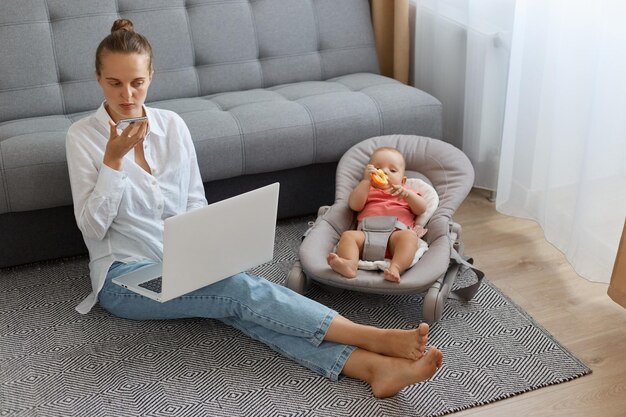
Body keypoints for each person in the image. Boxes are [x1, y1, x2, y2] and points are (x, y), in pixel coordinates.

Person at [65, 19, 442, 399]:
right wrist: (112, 163)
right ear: (98, 79)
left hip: (183, 261)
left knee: (238, 302)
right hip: (124, 277)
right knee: (240, 292)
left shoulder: (173, 126)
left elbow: (195, 200)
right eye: (114, 83)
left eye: (137, 82)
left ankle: (372, 368)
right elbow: (93, 228)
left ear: (151, 77)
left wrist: (211, 249)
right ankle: (376, 339)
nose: (128, 94)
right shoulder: (83, 137)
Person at [327, 147, 427, 282]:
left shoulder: (405, 192)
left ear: (403, 181)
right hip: (366, 235)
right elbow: (354, 205)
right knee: (348, 236)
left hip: (395, 237)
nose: (384, 171)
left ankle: (396, 267)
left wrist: (408, 195)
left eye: (392, 170)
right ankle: (350, 264)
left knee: (409, 237)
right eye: (378, 168)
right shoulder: (366, 189)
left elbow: (421, 209)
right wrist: (365, 182)